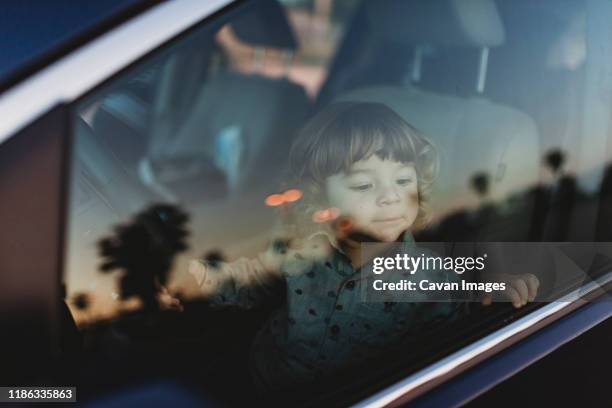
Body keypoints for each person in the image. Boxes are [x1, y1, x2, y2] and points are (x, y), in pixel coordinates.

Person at [188, 102, 538, 392]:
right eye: (364, 184)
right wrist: (201, 280)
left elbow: (465, 298)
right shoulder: (304, 250)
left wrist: (498, 287)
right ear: (321, 196)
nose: (390, 196)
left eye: (403, 180)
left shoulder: (428, 275)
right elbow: (253, 279)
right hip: (265, 379)